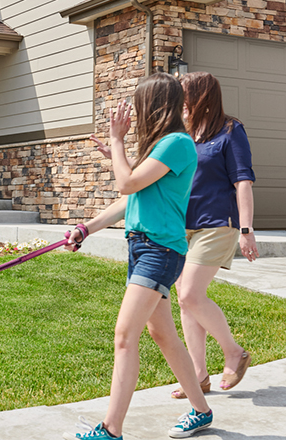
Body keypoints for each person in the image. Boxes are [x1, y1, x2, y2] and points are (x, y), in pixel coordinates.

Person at [65, 73, 211, 440]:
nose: (135, 112)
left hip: (160, 251)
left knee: (125, 334)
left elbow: (126, 183)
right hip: (145, 248)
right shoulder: (161, 147)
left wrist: (117, 142)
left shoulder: (177, 143)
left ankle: (111, 430)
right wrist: (86, 229)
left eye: (140, 103)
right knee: (161, 334)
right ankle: (201, 410)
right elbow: (130, 199)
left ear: (154, 106)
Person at [168, 72, 255, 399]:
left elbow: (243, 181)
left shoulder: (231, 130)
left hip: (219, 223)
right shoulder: (186, 135)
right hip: (184, 226)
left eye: (184, 93)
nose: (180, 100)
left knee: (190, 293)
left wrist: (246, 230)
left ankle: (234, 352)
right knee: (186, 301)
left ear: (200, 96)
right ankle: (199, 374)